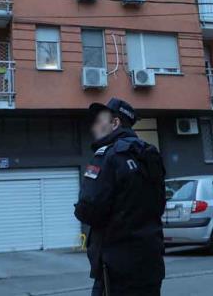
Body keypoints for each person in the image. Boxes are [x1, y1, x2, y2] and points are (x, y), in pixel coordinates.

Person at [74, 98, 166, 296]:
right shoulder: (149, 154)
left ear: (115, 123)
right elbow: (159, 205)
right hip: (151, 262)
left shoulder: (107, 155)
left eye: (100, 121)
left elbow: (89, 209)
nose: (94, 127)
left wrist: (80, 207)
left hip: (117, 269)